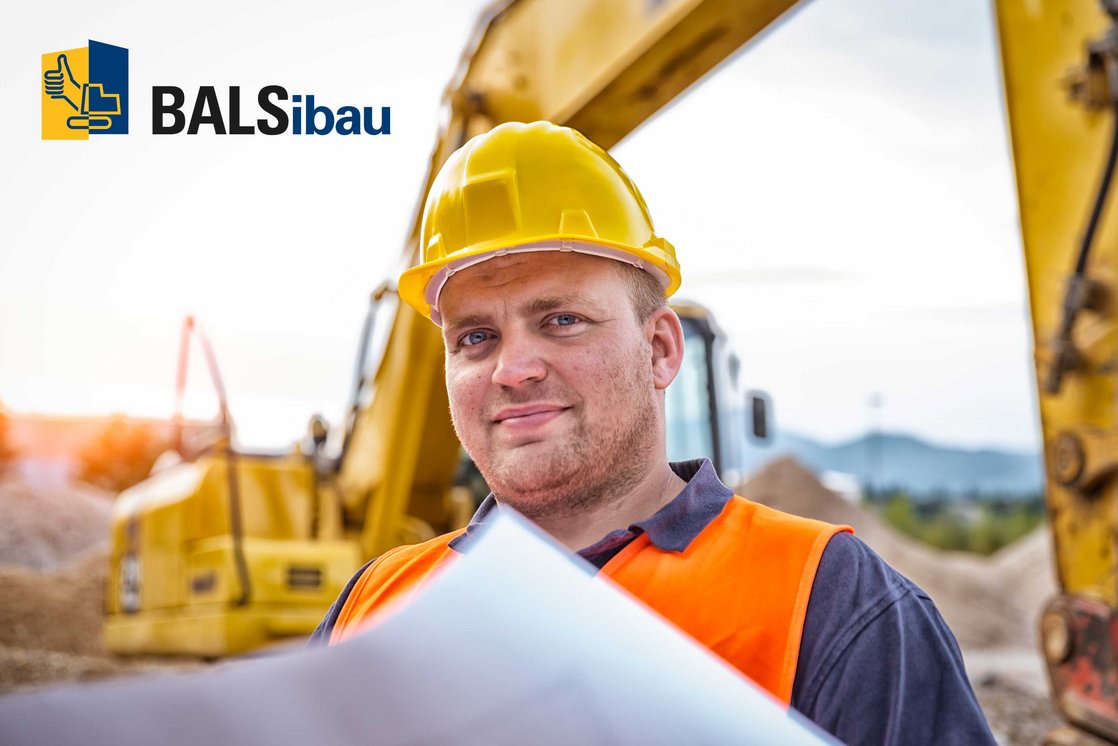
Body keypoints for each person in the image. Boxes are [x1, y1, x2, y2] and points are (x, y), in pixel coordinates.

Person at [311, 121, 995, 744]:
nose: (512, 370)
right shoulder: (375, 604)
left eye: (561, 320)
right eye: (476, 337)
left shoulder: (831, 600)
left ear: (662, 349)